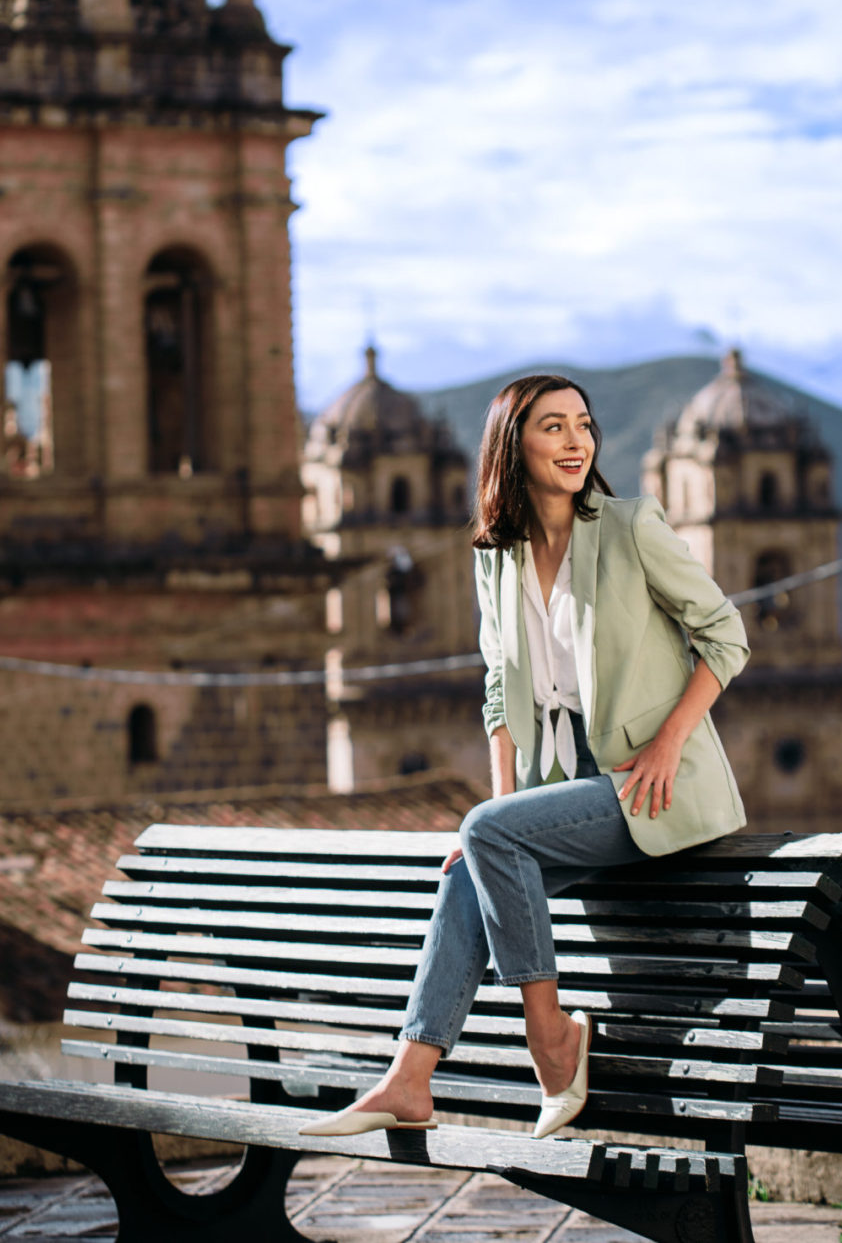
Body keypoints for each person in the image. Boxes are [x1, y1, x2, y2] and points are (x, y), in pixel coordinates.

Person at [301, 373, 750, 1140]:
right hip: (568, 793)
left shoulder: (633, 526)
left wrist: (668, 746)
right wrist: (498, 814)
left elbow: (727, 635)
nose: (577, 442)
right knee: (470, 870)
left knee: (486, 837)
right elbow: (501, 697)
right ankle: (409, 1081)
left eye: (584, 425)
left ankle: (552, 1045)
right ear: (514, 446)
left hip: (652, 789)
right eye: (554, 427)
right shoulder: (496, 557)